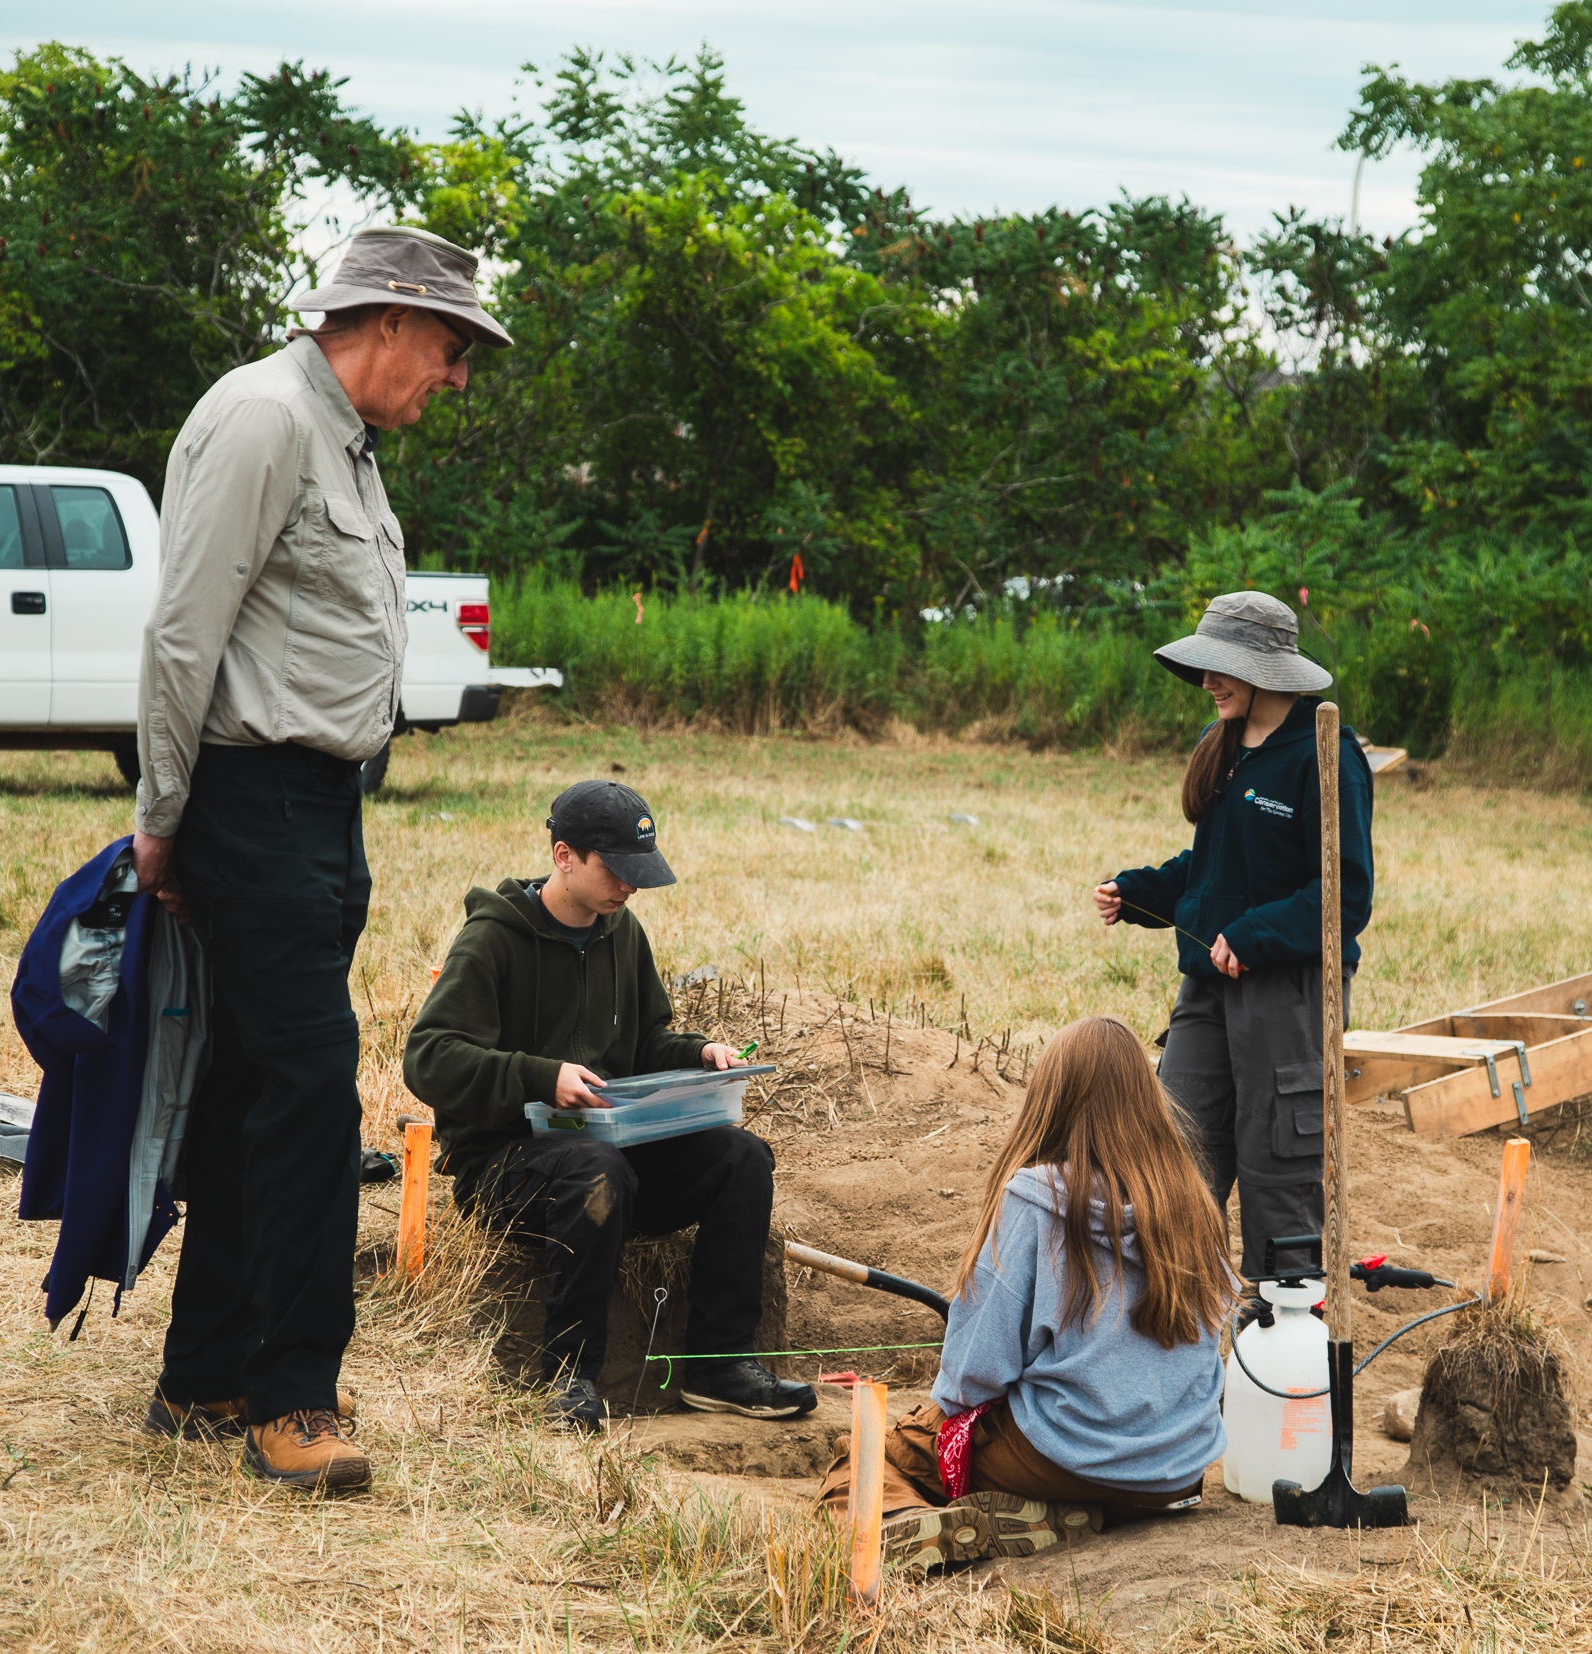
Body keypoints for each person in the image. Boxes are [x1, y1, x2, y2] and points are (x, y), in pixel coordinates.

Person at [131, 225, 512, 1491]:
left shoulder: (339, 438)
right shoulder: (263, 419)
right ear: (389, 320)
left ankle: (202, 1376)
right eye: (451, 350)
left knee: (255, 1082)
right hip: (251, 799)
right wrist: (163, 813)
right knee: (309, 1086)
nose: (455, 379)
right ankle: (293, 1395)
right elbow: (184, 632)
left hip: (319, 803)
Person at [402, 779, 817, 1430]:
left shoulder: (623, 934)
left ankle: (718, 1366)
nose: (629, 887)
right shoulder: (491, 939)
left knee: (740, 1158)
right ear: (564, 856)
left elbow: (646, 1041)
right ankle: (568, 1377)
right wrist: (541, 1076)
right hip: (506, 1168)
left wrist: (696, 1052)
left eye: (639, 872)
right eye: (616, 870)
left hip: (612, 1152)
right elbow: (428, 1057)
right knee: (596, 1169)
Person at [816, 1016, 1232, 1569]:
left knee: (869, 1459)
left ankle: (904, 1525)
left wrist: (936, 1421)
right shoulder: (1194, 1201)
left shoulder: (1033, 1200)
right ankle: (1086, 1512)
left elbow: (974, 1376)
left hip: (1065, 1457)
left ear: (1050, 1100)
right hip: (1177, 1470)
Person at [1093, 591, 1374, 1278]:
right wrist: (1139, 892)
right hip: (1206, 986)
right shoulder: (1216, 745)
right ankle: (1178, 1326)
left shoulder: (1323, 754)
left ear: (1268, 669)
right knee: (1172, 1157)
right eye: (1203, 667)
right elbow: (1216, 866)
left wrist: (1253, 933)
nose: (1206, 681)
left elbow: (1344, 893)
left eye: (1222, 668)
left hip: (1287, 991)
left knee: (1279, 1162)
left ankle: (1280, 1337)